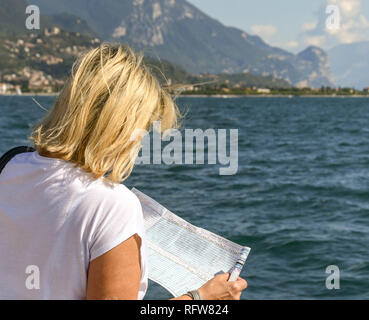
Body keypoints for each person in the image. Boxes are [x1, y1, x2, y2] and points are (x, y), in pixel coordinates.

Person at [0, 43, 247, 300]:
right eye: (142, 129)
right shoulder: (111, 205)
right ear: (120, 128)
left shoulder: (10, 165)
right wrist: (200, 299)